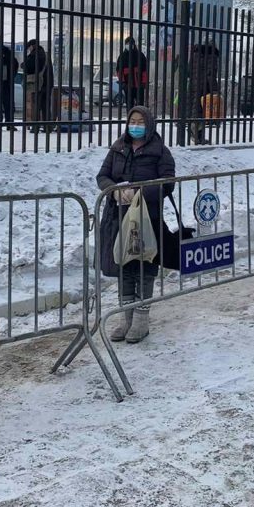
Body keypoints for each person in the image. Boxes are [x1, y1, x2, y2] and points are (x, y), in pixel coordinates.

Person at [97, 106, 175, 343]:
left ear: (149, 125)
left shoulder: (159, 151)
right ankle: (126, 318)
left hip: (147, 219)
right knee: (124, 266)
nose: (136, 125)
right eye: (133, 121)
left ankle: (141, 320)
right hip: (119, 217)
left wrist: (139, 192)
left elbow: (168, 182)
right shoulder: (118, 147)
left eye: (141, 122)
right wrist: (114, 191)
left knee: (144, 267)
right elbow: (102, 176)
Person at [187, 39, 222, 145]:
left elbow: (189, 71)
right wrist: (215, 90)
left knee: (194, 110)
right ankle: (197, 135)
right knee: (202, 112)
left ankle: (196, 134)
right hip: (204, 88)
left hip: (193, 85)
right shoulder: (211, 55)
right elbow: (211, 75)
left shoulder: (195, 53)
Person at [22, 39, 54, 131]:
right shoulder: (46, 55)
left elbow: (27, 67)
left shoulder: (34, 55)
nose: (29, 49)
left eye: (29, 47)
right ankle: (48, 126)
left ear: (32, 46)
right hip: (48, 84)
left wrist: (23, 64)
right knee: (46, 106)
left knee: (36, 105)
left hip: (38, 84)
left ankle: (35, 126)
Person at [115, 37, 149, 108]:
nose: (129, 45)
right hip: (128, 86)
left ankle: (139, 115)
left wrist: (143, 83)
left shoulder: (140, 55)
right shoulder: (122, 56)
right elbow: (119, 71)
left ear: (134, 44)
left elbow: (145, 70)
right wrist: (123, 83)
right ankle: (130, 115)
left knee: (140, 105)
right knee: (129, 105)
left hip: (139, 85)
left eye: (131, 43)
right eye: (127, 44)